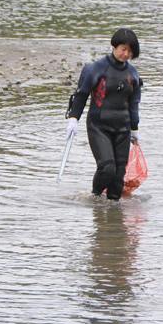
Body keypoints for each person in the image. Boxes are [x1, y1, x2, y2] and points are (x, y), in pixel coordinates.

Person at [65, 28, 142, 200]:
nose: (126, 53)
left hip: (123, 127)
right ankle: (94, 197)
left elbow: (134, 104)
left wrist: (135, 129)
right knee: (107, 168)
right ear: (114, 46)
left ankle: (112, 221)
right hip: (98, 126)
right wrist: (73, 119)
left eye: (130, 51)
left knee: (117, 179)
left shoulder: (133, 74)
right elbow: (81, 95)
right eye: (123, 48)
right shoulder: (95, 69)